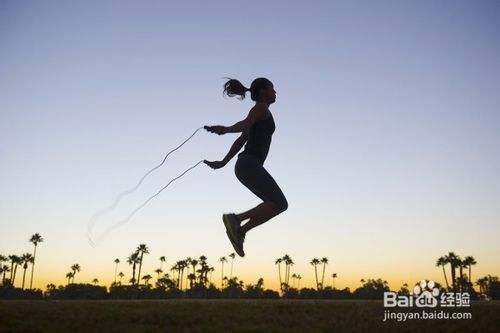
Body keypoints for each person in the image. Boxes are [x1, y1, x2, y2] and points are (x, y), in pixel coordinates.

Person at [204, 77, 288, 257]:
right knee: (280, 204)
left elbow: (242, 139)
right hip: (249, 164)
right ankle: (236, 220)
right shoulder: (261, 108)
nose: (275, 92)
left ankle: (240, 231)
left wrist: (223, 162)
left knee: (276, 204)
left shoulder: (260, 111)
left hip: (245, 165)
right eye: (272, 88)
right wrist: (226, 129)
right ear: (264, 91)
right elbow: (244, 125)